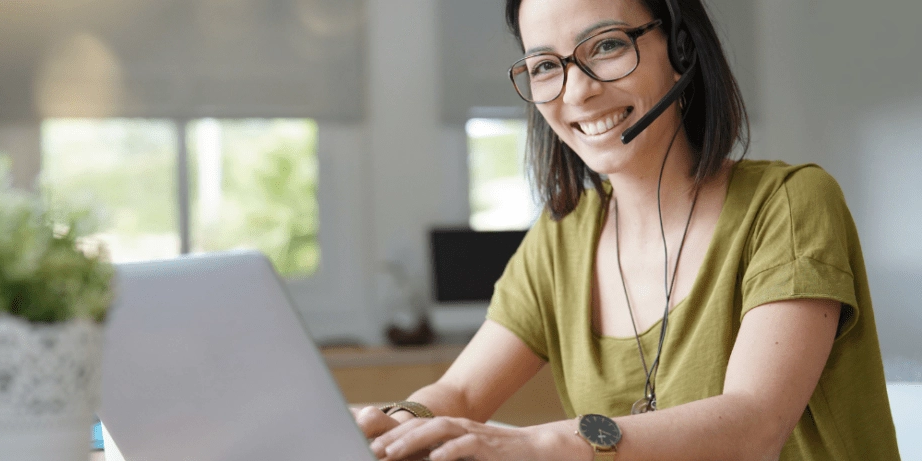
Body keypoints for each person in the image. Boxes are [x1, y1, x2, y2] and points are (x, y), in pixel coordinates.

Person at [356, 0, 900, 459]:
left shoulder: (789, 204)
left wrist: (542, 444)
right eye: (545, 65)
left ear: (681, 46)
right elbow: (460, 390)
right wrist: (394, 422)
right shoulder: (562, 239)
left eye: (607, 46)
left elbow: (753, 424)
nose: (576, 92)